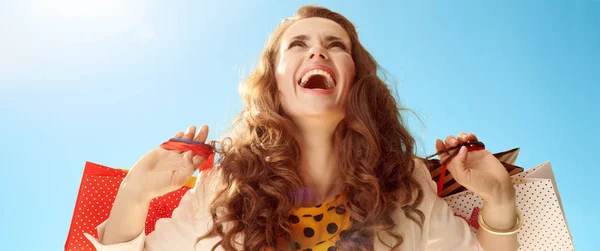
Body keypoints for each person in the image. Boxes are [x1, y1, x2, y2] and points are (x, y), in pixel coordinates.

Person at [84, 5, 521, 251]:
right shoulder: (224, 186)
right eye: (298, 44)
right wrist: (133, 196)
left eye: (336, 46)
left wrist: (499, 199)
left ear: (356, 79)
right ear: (273, 82)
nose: (318, 54)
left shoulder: (405, 180)